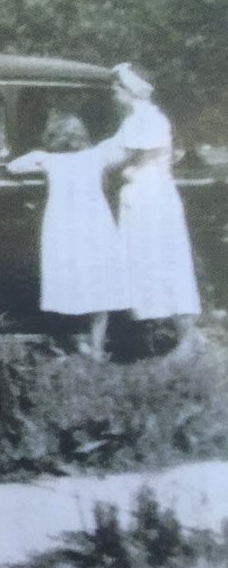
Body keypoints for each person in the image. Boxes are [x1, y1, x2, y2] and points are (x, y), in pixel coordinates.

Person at [7, 114, 128, 361]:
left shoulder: (48, 160)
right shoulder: (97, 156)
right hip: (94, 225)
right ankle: (96, 345)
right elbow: (120, 153)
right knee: (98, 283)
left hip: (64, 226)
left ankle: (66, 337)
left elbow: (13, 166)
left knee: (68, 279)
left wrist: (39, 153)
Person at [102, 63, 203, 358]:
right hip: (144, 198)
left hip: (152, 200)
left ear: (131, 91)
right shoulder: (136, 119)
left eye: (117, 86)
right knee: (150, 263)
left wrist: (73, 162)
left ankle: (188, 339)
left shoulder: (145, 120)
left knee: (166, 261)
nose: (113, 91)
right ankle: (167, 336)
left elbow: (115, 156)